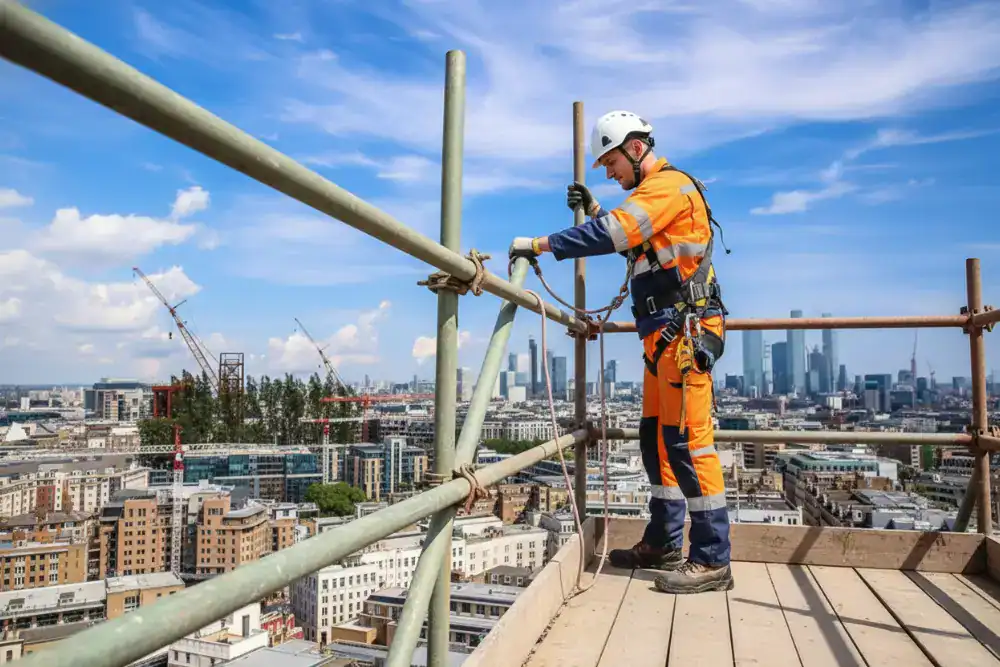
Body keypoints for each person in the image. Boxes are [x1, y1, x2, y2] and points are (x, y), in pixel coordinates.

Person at [508, 110, 733, 594]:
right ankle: (664, 541)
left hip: (685, 336)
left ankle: (713, 559)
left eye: (610, 163)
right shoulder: (652, 197)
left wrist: (539, 245)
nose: (608, 173)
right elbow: (636, 246)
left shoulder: (668, 187)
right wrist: (594, 208)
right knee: (657, 443)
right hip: (665, 338)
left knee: (690, 446)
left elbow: (615, 235)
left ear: (634, 149)